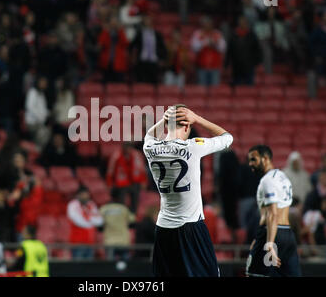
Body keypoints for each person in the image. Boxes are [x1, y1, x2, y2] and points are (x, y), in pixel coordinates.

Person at [143, 105, 233, 277]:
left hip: (163, 228)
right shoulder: (193, 147)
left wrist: (165, 119)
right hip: (190, 227)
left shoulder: (150, 148)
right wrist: (197, 118)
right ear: (186, 126)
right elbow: (227, 137)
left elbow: (149, 135)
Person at [245, 145, 301, 277]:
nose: (250, 164)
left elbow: (272, 213)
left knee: (254, 273)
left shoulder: (267, 181)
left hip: (271, 233)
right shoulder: (283, 177)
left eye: (254, 159)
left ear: (265, 159)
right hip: (287, 234)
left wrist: (269, 242)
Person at [106, 141, 147, 214]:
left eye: (130, 147)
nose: (128, 149)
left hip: (135, 181)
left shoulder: (137, 155)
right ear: (123, 147)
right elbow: (110, 171)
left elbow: (142, 169)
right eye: (127, 147)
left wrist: (144, 181)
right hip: (122, 183)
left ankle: (133, 218)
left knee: (135, 202)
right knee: (121, 202)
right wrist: (109, 184)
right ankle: (122, 216)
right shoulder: (116, 156)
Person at [67, 188, 103, 260]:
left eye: (87, 195)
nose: (86, 197)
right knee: (78, 266)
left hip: (90, 242)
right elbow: (78, 220)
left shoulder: (91, 204)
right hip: (77, 243)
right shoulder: (73, 205)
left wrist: (88, 219)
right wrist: (91, 221)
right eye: (84, 195)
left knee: (88, 267)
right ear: (78, 195)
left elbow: (100, 220)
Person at [99, 192, 136, 260]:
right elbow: (133, 220)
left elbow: (98, 223)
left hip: (109, 242)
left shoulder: (103, 209)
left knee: (110, 267)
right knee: (125, 265)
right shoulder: (124, 208)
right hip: (123, 241)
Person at [191, 16, 226, 86]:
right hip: (202, 66)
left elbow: (223, 47)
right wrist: (205, 42)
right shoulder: (198, 33)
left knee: (215, 90)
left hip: (215, 67)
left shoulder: (217, 33)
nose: (207, 25)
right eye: (206, 23)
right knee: (201, 90)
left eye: (209, 23)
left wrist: (214, 44)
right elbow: (194, 47)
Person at [24, 77, 51, 150]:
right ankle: (36, 151)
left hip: (40, 122)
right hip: (32, 122)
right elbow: (29, 106)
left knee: (48, 132)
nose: (44, 84)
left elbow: (43, 109)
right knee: (43, 132)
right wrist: (41, 117)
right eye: (42, 82)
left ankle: (39, 151)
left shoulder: (41, 93)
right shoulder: (32, 92)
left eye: (45, 83)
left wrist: (48, 114)